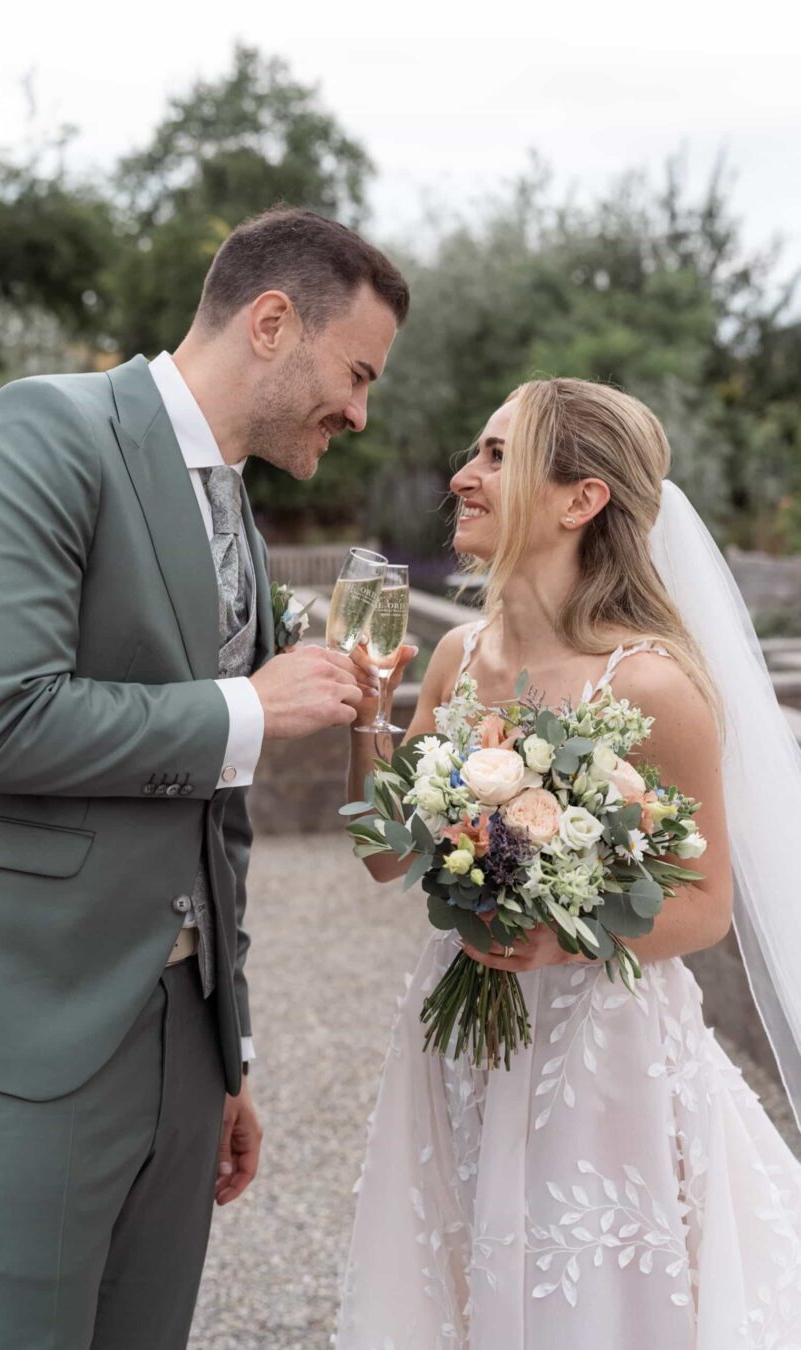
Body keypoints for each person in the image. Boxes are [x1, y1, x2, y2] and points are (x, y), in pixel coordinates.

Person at [0, 206, 408, 1350]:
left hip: (181, 1048)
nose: (362, 413)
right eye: (357, 373)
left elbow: (211, 817)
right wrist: (251, 705)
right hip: (18, 1036)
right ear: (273, 322)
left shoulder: (236, 509)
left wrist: (229, 1052)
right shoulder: (40, 432)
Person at [337, 378, 801, 1348]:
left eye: (499, 456)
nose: (464, 478)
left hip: (602, 1052)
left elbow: (706, 907)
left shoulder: (651, 684)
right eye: (476, 453)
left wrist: (560, 937)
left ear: (581, 499)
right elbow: (386, 857)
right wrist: (368, 713)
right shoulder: (456, 659)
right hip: (462, 1036)